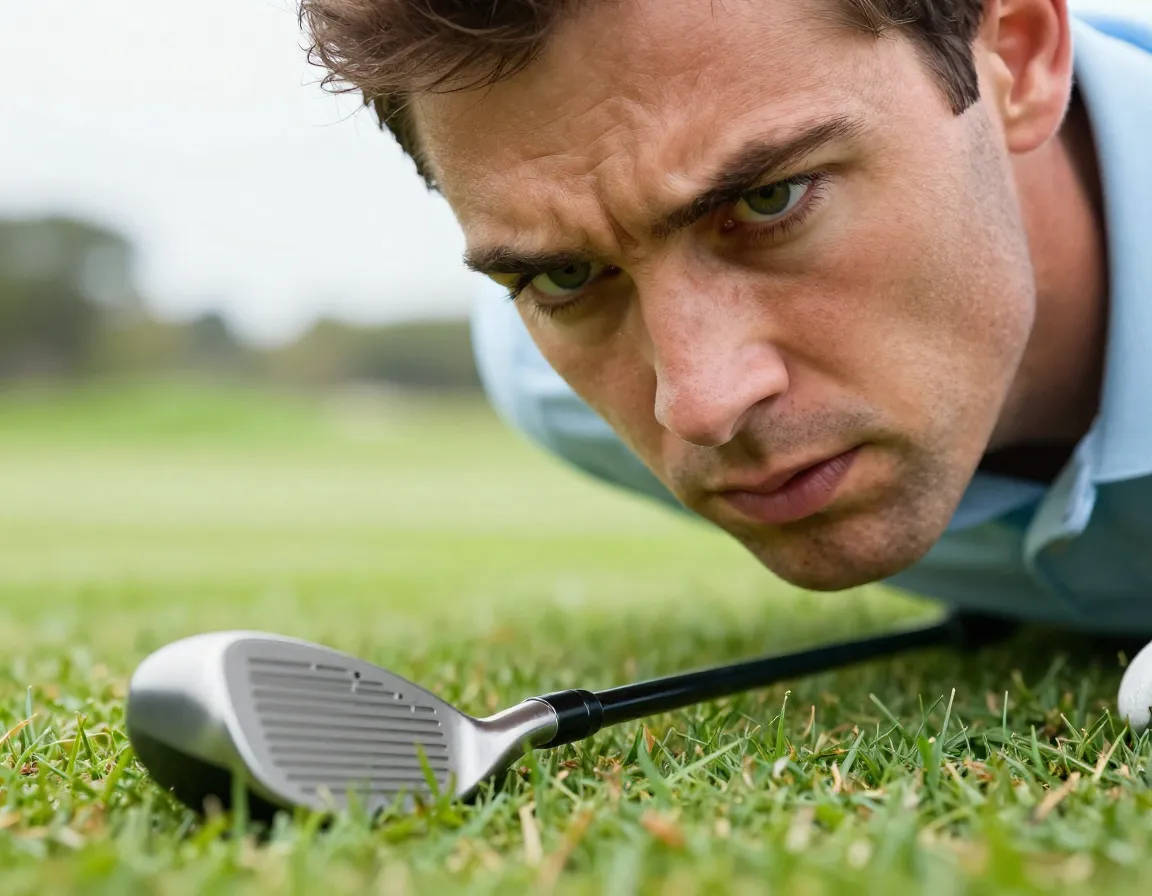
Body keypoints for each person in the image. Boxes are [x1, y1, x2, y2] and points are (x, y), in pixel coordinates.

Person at [300, 0, 1152, 635]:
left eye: (768, 198)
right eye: (566, 273)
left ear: (1017, 55)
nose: (701, 407)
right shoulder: (548, 389)